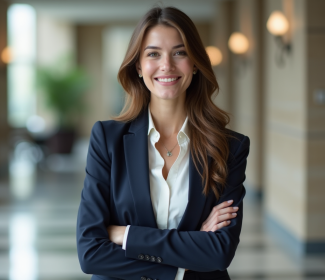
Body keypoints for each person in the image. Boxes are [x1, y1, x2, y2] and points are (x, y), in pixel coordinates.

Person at [76, 6, 250, 280]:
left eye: (179, 53)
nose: (166, 65)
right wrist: (187, 255)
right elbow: (90, 253)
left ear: (194, 64)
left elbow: (218, 252)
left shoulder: (229, 147)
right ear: (138, 66)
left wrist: (125, 234)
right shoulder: (107, 140)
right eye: (153, 54)